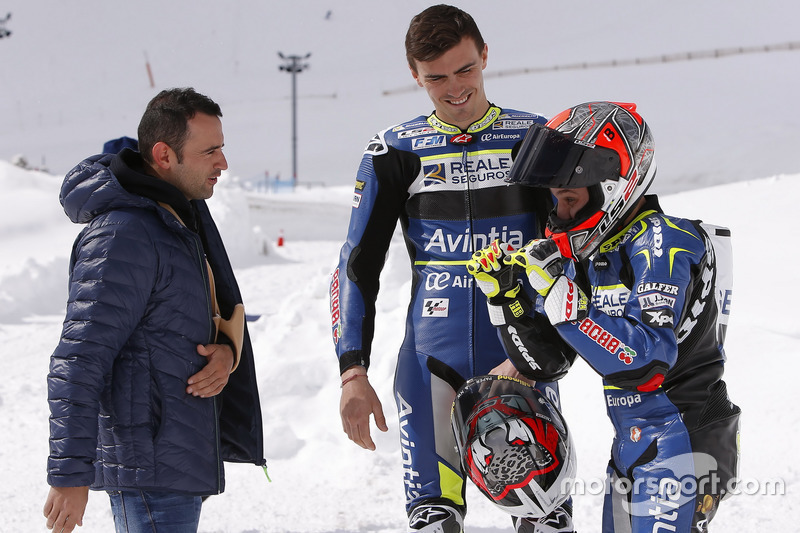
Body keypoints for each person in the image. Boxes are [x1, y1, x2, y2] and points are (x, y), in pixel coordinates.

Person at [329, 5, 573, 532]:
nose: (455, 87)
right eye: (436, 77)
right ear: (414, 76)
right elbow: (355, 267)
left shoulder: (534, 138)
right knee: (434, 522)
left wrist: (562, 345)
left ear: (485, 56)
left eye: (465, 69)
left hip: (519, 357)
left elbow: (574, 251)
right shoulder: (393, 150)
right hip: (429, 362)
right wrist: (352, 371)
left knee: (544, 519)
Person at [467, 101, 741, 532]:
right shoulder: (598, 252)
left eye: (570, 198)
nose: (561, 213)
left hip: (682, 436)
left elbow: (647, 361)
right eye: (555, 200)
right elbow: (548, 362)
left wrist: (562, 297)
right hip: (635, 441)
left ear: (613, 186)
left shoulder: (662, 241)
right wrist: (506, 300)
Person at [43, 87, 264, 533]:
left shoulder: (175, 220)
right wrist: (70, 474)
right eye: (211, 150)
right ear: (164, 155)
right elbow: (80, 358)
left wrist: (225, 353)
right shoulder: (124, 235)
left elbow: (189, 317)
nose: (223, 162)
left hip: (176, 457)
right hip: (150, 467)